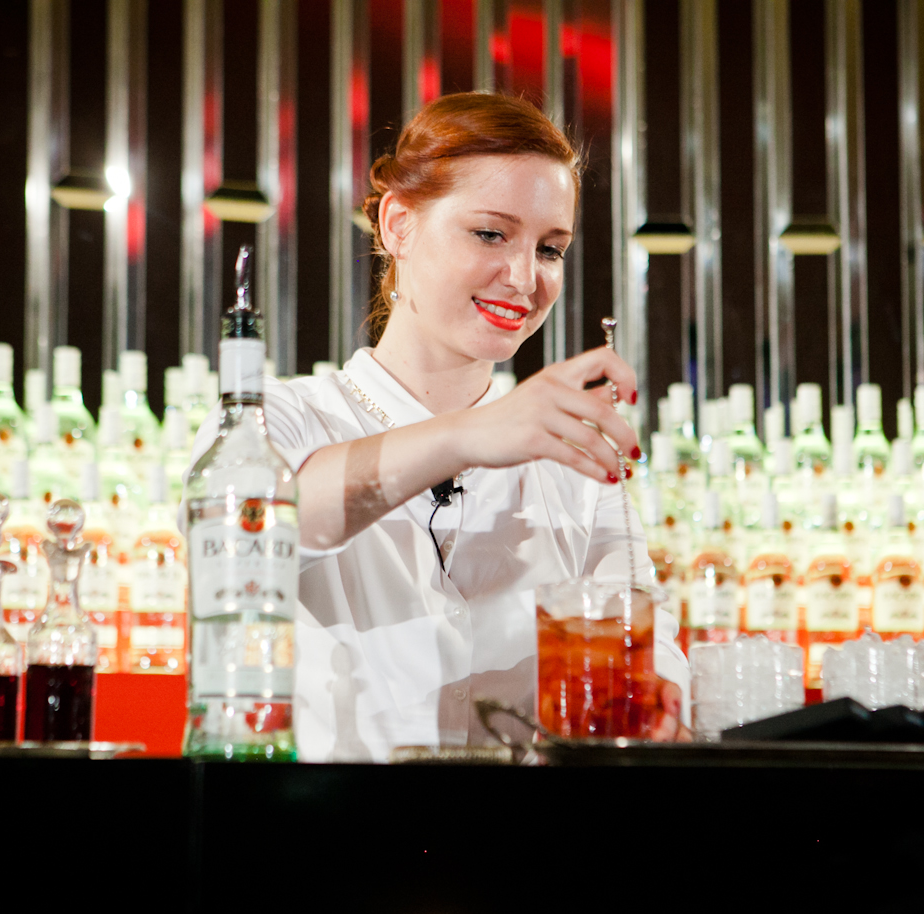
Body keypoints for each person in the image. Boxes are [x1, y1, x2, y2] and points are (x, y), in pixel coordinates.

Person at [190, 92, 687, 761]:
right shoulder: (278, 418)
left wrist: (658, 695)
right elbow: (254, 525)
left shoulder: (575, 461)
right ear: (398, 224)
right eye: (490, 234)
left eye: (550, 249)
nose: (524, 278)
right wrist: (466, 436)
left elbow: (640, 630)